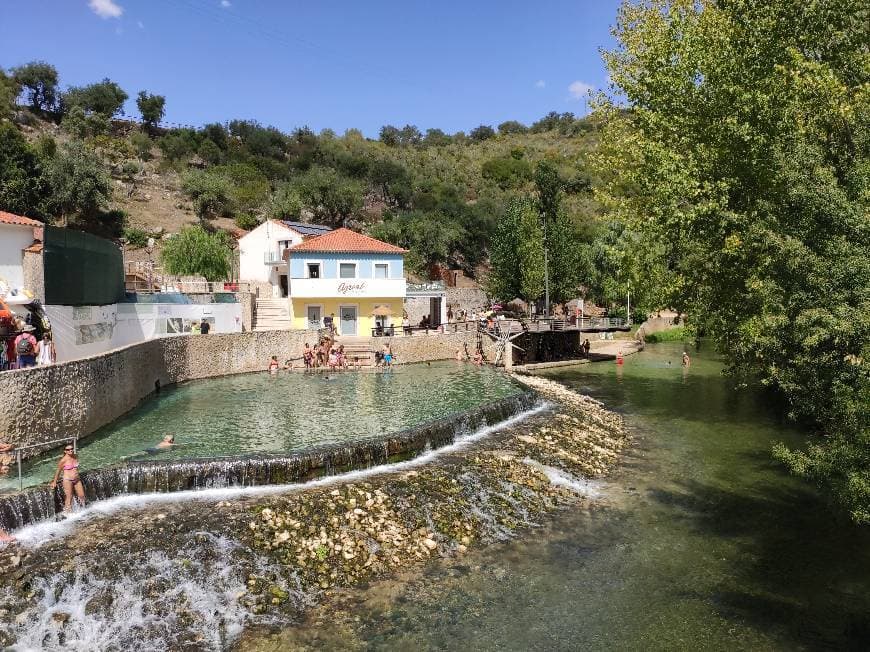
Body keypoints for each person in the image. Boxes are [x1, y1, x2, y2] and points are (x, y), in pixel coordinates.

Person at [50, 444, 86, 513]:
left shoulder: (75, 456)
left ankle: (83, 511)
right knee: (69, 497)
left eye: (71, 448)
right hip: (68, 480)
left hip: (77, 479)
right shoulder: (63, 460)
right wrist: (54, 482)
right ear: (65, 451)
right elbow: (58, 471)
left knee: (82, 496)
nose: (71, 450)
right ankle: (68, 513)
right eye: (68, 450)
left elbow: (76, 467)